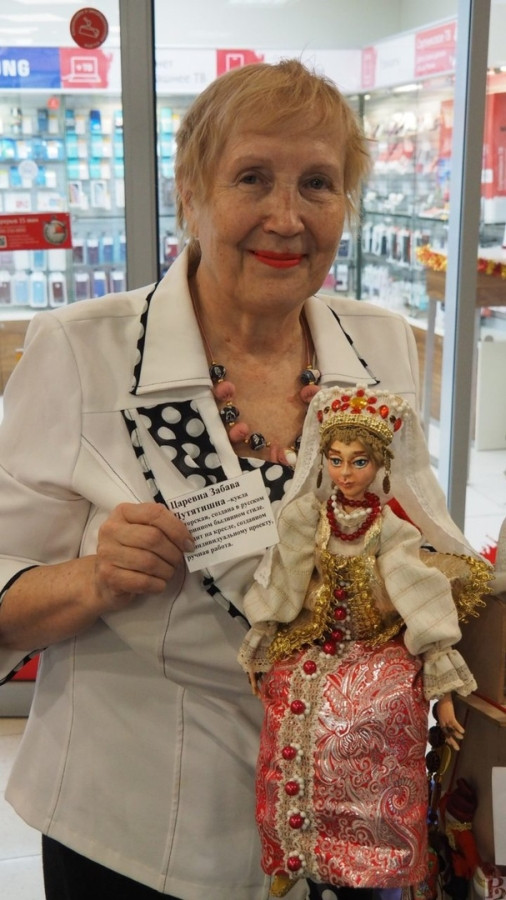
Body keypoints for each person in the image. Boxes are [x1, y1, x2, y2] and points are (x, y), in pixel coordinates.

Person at [0, 59, 488, 900]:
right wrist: (94, 578)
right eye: (252, 177)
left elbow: (423, 542)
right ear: (190, 194)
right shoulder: (83, 350)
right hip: (139, 833)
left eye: (318, 184)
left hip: (348, 817)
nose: (286, 217)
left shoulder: (378, 343)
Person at [238, 385, 491, 899]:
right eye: (335, 460)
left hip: (374, 645)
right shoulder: (308, 518)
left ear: (380, 467)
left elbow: (417, 595)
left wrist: (443, 693)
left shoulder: (390, 530)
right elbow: (286, 580)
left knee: (391, 701)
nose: (345, 473)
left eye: (358, 462)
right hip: (315, 642)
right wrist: (262, 635)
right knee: (286, 700)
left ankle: (384, 857)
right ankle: (293, 850)